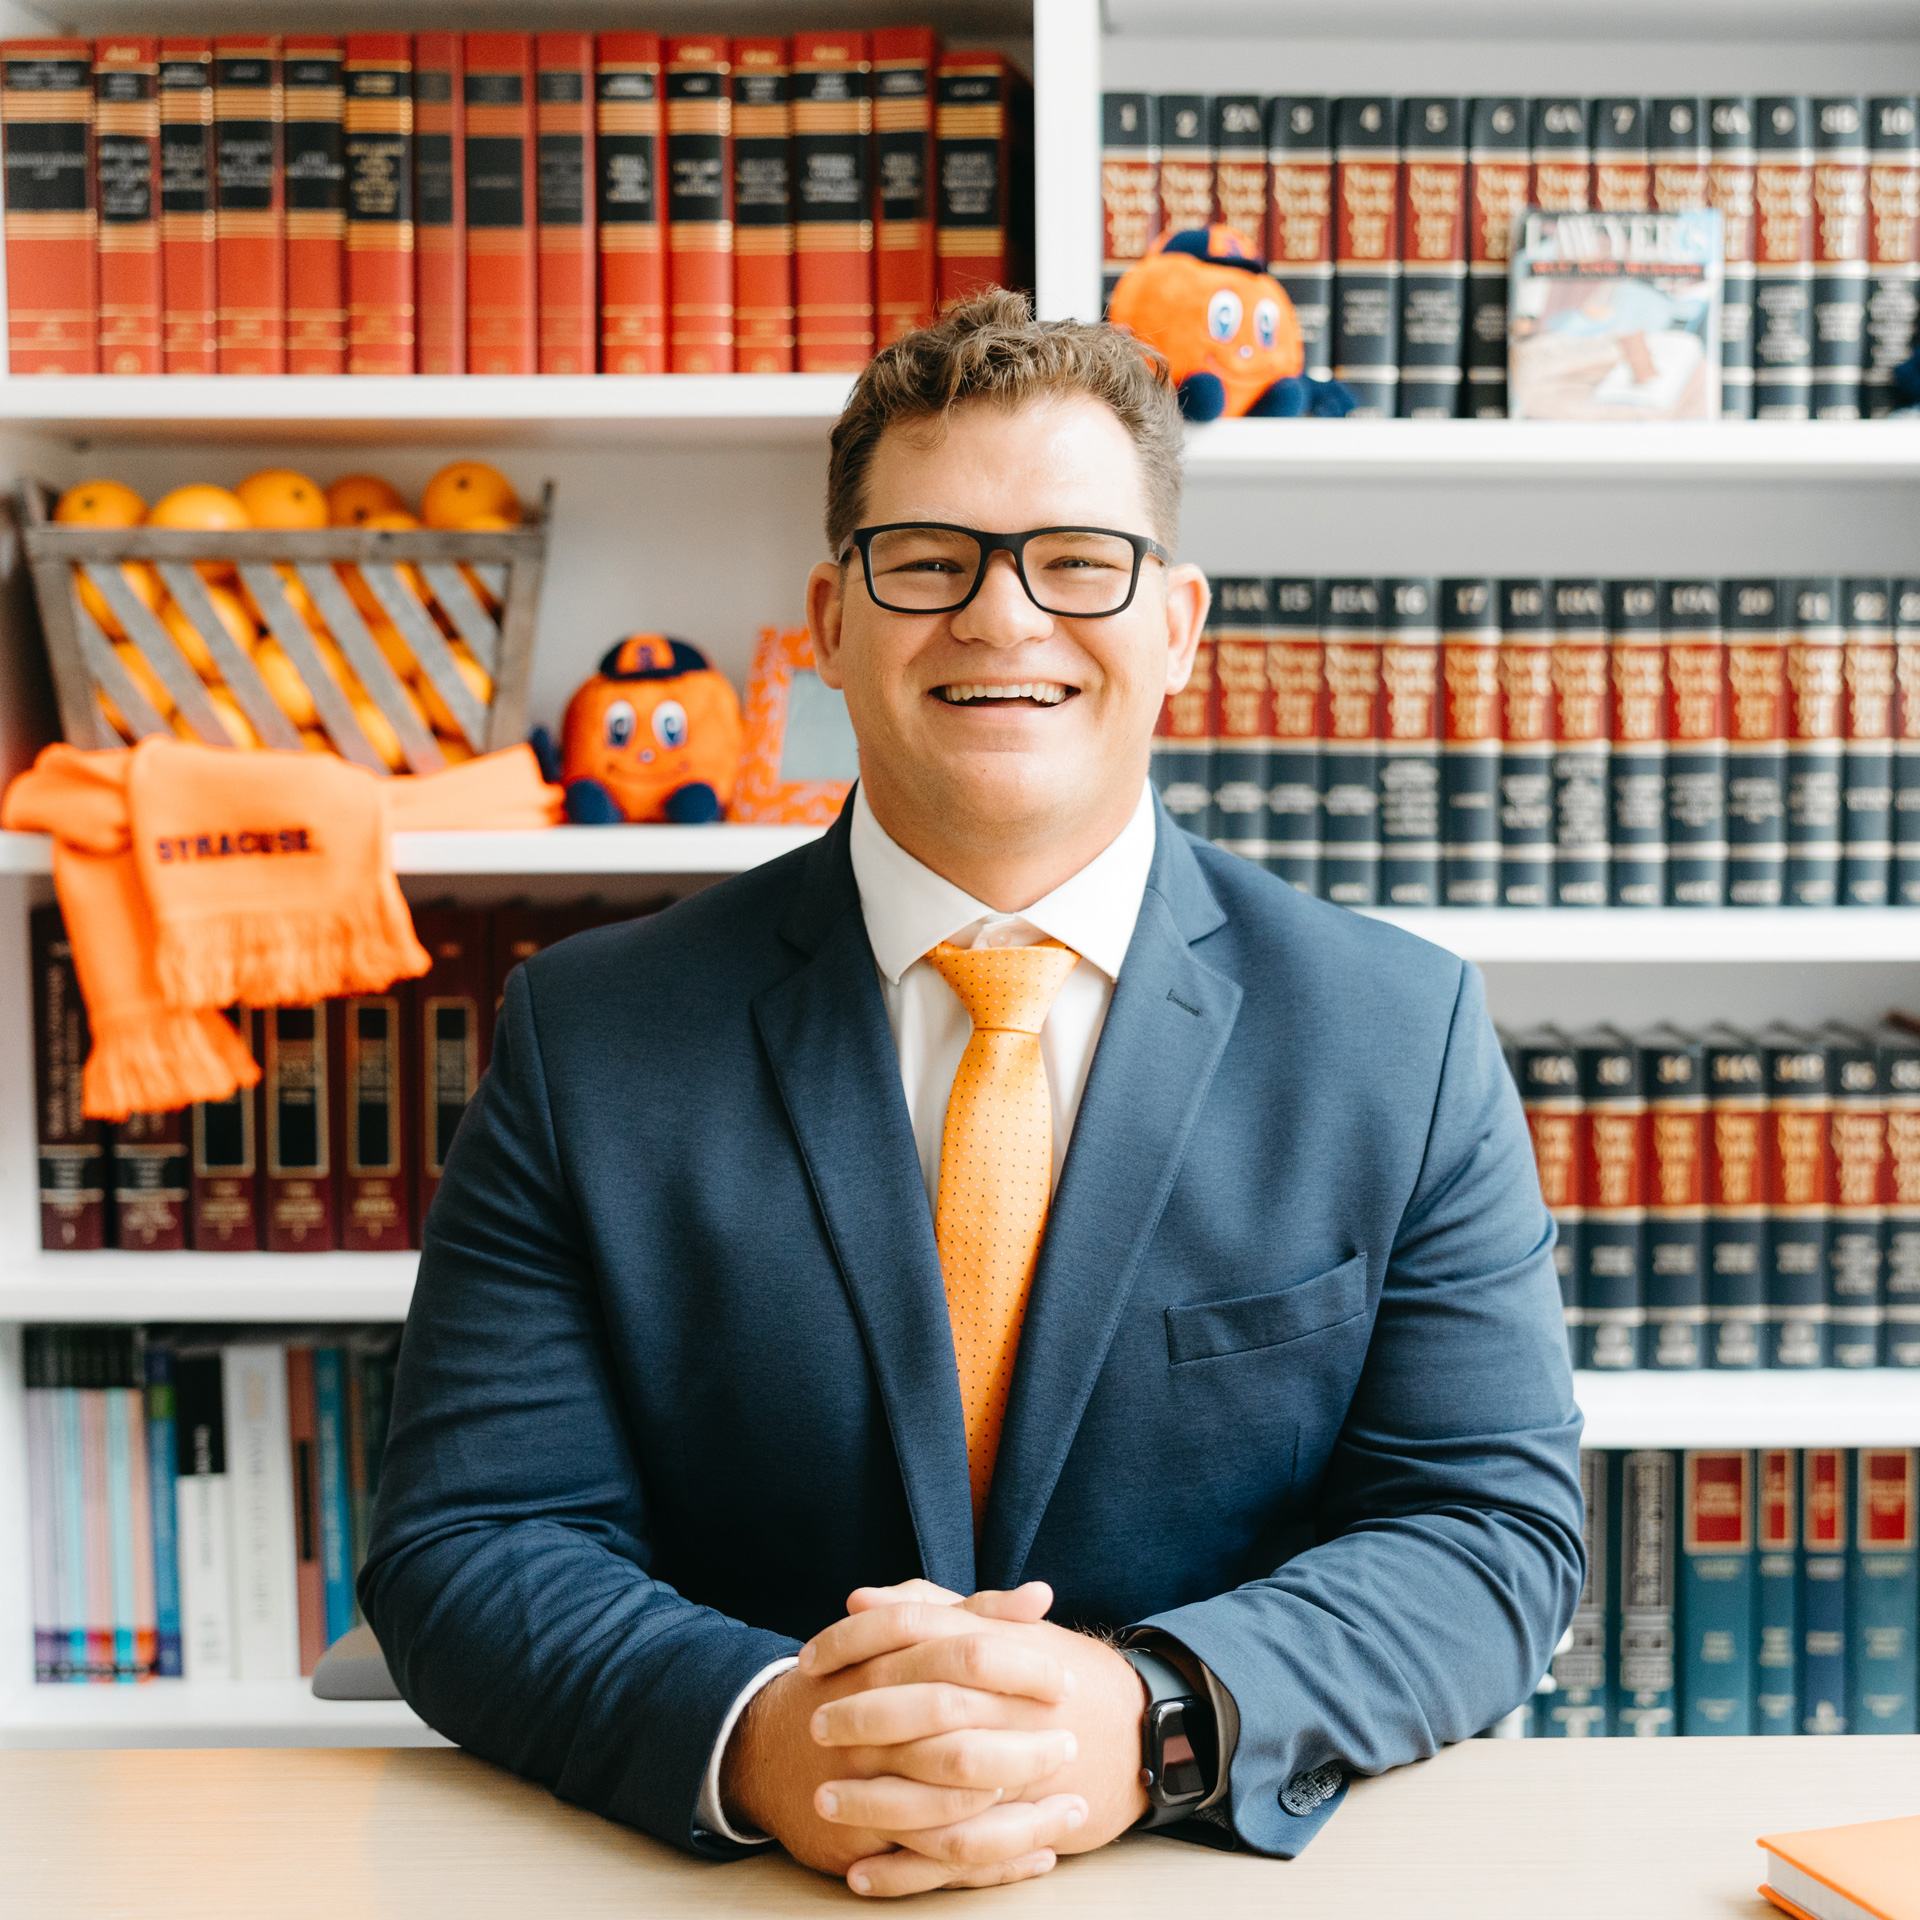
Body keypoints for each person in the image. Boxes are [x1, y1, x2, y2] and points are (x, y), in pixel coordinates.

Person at [361, 292, 1585, 1900]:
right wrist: (762, 1735)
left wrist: (1141, 1717)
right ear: (829, 617)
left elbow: (1491, 1535)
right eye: (929, 559)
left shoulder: (1395, 1032)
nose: (1004, 619)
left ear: (1179, 626)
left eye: (1079, 561)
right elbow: (470, 1541)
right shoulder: (593, 1034)